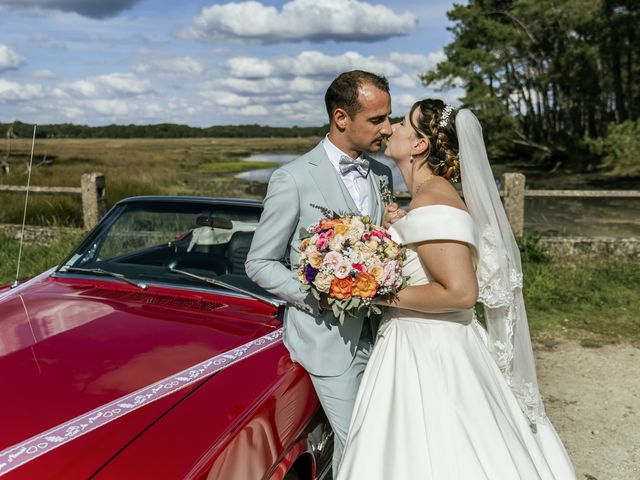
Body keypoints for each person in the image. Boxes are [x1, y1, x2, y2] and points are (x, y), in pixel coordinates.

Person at [336, 99, 576, 479]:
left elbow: (460, 293)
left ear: (419, 145)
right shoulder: (427, 199)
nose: (389, 128)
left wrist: (371, 292)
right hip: (418, 340)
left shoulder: (433, 199)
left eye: (401, 123)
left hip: (428, 351)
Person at [245, 70, 402, 477]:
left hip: (382, 335)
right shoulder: (292, 178)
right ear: (341, 117)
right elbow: (259, 263)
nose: (388, 128)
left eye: (389, 118)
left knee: (386, 438)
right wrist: (321, 292)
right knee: (359, 448)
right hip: (325, 341)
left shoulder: (382, 175)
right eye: (377, 119)